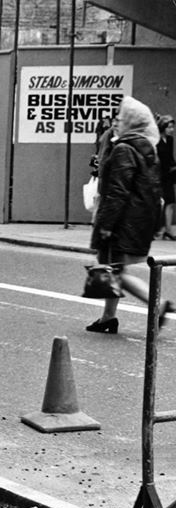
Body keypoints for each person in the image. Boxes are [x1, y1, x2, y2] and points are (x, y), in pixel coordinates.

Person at [88, 96, 170, 334]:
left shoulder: (124, 149)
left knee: (113, 270)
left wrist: (105, 225)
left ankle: (158, 304)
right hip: (136, 221)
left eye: (121, 118)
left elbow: (117, 192)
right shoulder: (146, 148)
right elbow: (155, 190)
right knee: (112, 268)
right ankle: (107, 318)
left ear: (132, 123)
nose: (117, 121)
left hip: (121, 221)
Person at [155, 115, 175, 240]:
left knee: (171, 202)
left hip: (168, 174)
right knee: (159, 203)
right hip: (158, 175)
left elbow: (171, 157)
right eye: (169, 127)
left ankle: (168, 230)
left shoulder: (170, 140)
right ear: (163, 127)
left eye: (173, 127)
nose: (172, 129)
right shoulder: (156, 140)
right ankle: (157, 229)